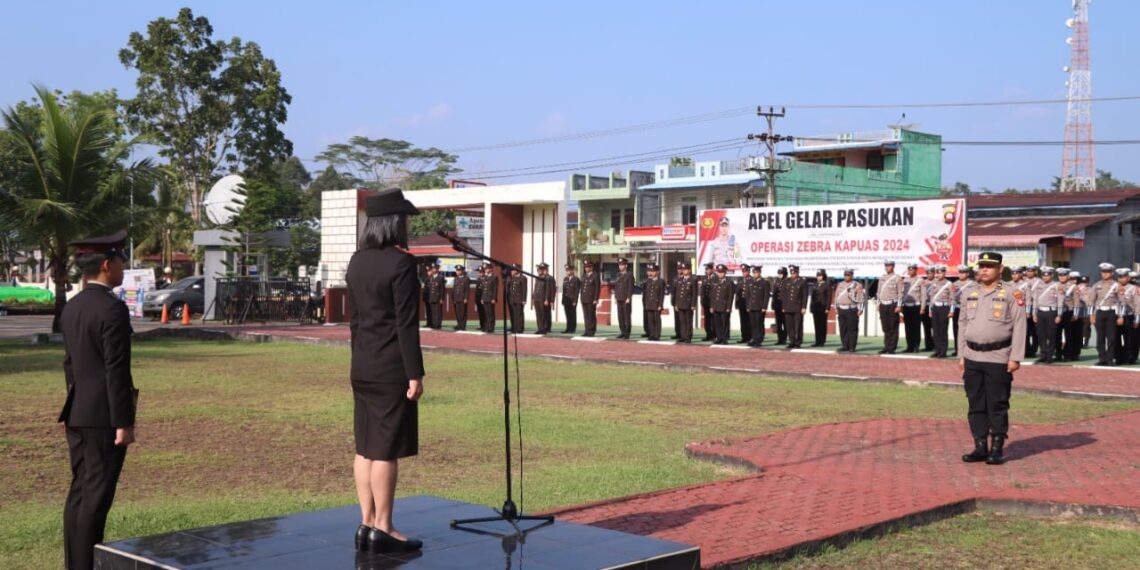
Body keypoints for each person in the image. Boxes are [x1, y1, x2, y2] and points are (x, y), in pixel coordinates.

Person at [345, 189, 425, 554]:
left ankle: (366, 523)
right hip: (391, 366)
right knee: (385, 451)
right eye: (404, 219)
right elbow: (406, 325)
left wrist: (359, 357)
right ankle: (384, 526)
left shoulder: (356, 261)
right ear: (395, 222)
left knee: (365, 448)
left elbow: (355, 320)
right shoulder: (401, 264)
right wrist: (415, 373)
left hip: (362, 364)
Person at [60, 229, 138, 570]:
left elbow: (70, 363)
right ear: (107, 264)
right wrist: (124, 421)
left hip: (77, 410)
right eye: (120, 259)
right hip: (103, 416)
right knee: (95, 498)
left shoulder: (73, 306)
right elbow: (116, 370)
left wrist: (76, 402)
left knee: (80, 493)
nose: (123, 265)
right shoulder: (112, 309)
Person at [957, 251, 1025, 466]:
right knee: (975, 402)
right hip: (972, 356)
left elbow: (1020, 325)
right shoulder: (969, 293)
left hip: (998, 356)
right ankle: (980, 446)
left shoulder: (1012, 293)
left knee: (997, 403)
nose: (984, 269)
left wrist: (1016, 357)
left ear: (1000, 269)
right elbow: (962, 324)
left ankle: (996, 448)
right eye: (981, 266)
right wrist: (961, 355)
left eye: (989, 266)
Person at [1090, 263, 1121, 366]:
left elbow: (1122, 302)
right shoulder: (1096, 285)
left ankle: (1110, 359)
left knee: (1111, 337)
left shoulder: (1117, 285)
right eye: (1103, 272)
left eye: (1107, 272)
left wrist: (1120, 316)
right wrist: (1091, 315)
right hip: (1100, 312)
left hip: (1111, 312)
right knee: (1100, 337)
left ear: (1112, 273)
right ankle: (1102, 358)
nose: (1105, 274)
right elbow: (1091, 301)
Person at [1032, 267, 1063, 364]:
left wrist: (1059, 315)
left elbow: (1060, 301)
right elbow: (1035, 300)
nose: (1045, 277)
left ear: (1052, 275)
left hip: (1051, 312)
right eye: (1043, 275)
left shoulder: (1057, 285)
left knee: (1051, 335)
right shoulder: (1038, 285)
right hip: (1040, 312)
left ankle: (1050, 356)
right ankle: (1043, 355)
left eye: (1047, 275)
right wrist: (1034, 313)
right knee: (1041, 335)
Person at [927, 265, 957, 358]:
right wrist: (930, 310)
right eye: (938, 272)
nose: (939, 274)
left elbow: (952, 299)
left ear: (944, 273)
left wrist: (951, 311)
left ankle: (943, 352)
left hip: (944, 308)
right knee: (935, 331)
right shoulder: (934, 283)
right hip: (935, 308)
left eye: (941, 272)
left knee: (943, 331)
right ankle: (937, 350)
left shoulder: (949, 284)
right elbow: (932, 297)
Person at [833, 269, 865, 352]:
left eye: (848, 275)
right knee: (843, 329)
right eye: (845, 275)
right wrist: (836, 307)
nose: (846, 277)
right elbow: (836, 296)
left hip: (852, 309)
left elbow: (861, 298)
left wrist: (861, 309)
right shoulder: (840, 284)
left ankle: (852, 347)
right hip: (842, 309)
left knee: (852, 329)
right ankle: (845, 345)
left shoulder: (857, 285)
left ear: (852, 275)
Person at [876, 261, 904, 354]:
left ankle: (892, 348)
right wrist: (878, 303)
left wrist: (899, 305)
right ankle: (886, 346)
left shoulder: (897, 278)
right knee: (885, 327)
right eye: (886, 266)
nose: (887, 267)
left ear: (893, 266)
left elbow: (900, 293)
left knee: (893, 327)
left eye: (889, 266)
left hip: (893, 304)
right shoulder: (882, 278)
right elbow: (879, 292)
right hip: (883, 305)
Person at [901, 263, 928, 353]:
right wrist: (900, 305)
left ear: (916, 270)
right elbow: (901, 294)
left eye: (912, 269)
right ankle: (909, 346)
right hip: (906, 307)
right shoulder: (905, 280)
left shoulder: (920, 280)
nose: (910, 271)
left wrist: (922, 308)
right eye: (909, 269)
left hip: (916, 307)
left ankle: (916, 346)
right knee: (908, 328)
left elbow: (923, 295)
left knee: (916, 327)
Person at [781, 265, 809, 349]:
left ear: (797, 272)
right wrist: (783, 306)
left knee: (798, 325)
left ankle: (798, 342)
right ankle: (792, 341)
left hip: (798, 307)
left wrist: (804, 307)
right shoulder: (787, 281)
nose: (793, 275)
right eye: (791, 273)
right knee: (790, 326)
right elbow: (784, 295)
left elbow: (804, 295)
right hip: (788, 307)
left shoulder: (802, 281)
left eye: (794, 273)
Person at [951, 264, 975, 357]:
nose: (961, 274)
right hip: (957, 308)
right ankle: (958, 349)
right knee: (956, 330)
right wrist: (952, 310)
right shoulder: (955, 284)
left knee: (968, 330)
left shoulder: (973, 284)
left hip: (968, 309)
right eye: (960, 272)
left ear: (967, 273)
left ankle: (968, 350)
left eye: (963, 272)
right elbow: (952, 298)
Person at [672, 262, 696, 343]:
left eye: (685, 269)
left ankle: (688, 336)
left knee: (688, 321)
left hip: (688, 304)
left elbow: (694, 294)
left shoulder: (692, 280)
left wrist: (693, 304)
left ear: (689, 270)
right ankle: (683, 336)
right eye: (683, 269)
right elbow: (677, 293)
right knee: (681, 321)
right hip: (680, 304)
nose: (684, 271)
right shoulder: (679, 280)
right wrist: (676, 304)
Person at [747, 265, 771, 347]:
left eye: (756, 272)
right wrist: (748, 306)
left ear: (759, 273)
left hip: (759, 307)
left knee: (759, 324)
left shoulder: (764, 282)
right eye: (753, 273)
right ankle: (754, 338)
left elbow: (766, 296)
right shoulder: (751, 282)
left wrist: (764, 307)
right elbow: (748, 295)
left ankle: (759, 339)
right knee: (753, 324)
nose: (754, 274)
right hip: (752, 306)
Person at [711, 264, 734, 344]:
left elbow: (730, 296)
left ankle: (725, 338)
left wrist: (729, 307)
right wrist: (712, 306)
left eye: (722, 272)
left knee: (725, 323)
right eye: (719, 272)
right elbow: (713, 295)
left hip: (724, 306)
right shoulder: (715, 281)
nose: (720, 274)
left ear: (725, 273)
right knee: (717, 323)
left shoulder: (729, 282)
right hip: (716, 306)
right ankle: (719, 337)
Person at [642, 263, 665, 341]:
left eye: (653, 271)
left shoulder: (660, 282)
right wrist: (645, 303)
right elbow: (646, 294)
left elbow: (661, 294)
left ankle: (657, 335)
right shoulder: (648, 281)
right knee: (650, 320)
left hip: (656, 304)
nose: (651, 273)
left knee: (656, 320)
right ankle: (651, 334)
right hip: (649, 303)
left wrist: (660, 305)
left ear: (657, 272)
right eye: (650, 271)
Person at [1023, 264, 1042, 358]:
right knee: (1024, 332)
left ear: (1035, 272)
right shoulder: (1023, 281)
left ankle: (1034, 350)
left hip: (1036, 309)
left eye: (1031, 271)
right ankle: (1026, 350)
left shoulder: (1040, 282)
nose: (1029, 272)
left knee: (1035, 332)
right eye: (1028, 271)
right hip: (1024, 309)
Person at [809, 269, 832, 347]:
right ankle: (817, 341)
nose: (819, 277)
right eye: (818, 276)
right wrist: (811, 307)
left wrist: (827, 308)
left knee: (822, 325)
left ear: (824, 276)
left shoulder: (827, 284)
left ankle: (822, 341)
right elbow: (812, 297)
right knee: (816, 325)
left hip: (823, 307)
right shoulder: (815, 284)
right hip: (815, 307)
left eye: (820, 275)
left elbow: (829, 297)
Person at [531, 263, 556, 335]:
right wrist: (533, 298)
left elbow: (550, 290)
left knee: (544, 314)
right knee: (538, 315)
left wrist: (548, 300)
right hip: (537, 298)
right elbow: (535, 288)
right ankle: (540, 328)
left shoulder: (548, 278)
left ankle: (545, 328)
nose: (539, 271)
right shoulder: (538, 278)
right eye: (538, 270)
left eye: (541, 269)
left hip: (543, 299)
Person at [613, 258, 634, 339]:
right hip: (619, 298)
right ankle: (622, 332)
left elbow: (630, 287)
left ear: (626, 265)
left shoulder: (629, 274)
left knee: (626, 316)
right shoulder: (618, 275)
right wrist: (615, 297)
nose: (620, 266)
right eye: (619, 265)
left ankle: (627, 333)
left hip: (626, 299)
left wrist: (629, 297)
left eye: (622, 265)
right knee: (620, 316)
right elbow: (616, 287)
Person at [580, 261, 601, 336]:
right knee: (586, 315)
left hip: (591, 299)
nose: (586, 268)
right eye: (585, 267)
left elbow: (597, 288)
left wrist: (596, 299)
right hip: (584, 298)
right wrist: (581, 297)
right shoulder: (584, 275)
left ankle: (592, 331)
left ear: (591, 267)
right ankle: (586, 330)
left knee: (591, 315)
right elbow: (582, 287)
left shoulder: (595, 275)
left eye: (588, 267)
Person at [478, 264, 499, 333]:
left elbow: (495, 289)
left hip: (490, 298)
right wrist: (482, 298)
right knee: (486, 313)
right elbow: (484, 289)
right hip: (485, 297)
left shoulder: (494, 277)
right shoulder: (485, 277)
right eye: (485, 269)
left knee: (490, 313)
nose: (486, 270)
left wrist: (494, 298)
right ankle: (487, 326)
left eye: (487, 269)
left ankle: (491, 327)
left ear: (491, 269)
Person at [561, 264, 581, 334]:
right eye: (566, 270)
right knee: (567, 315)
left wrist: (575, 301)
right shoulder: (565, 279)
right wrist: (563, 300)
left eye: (568, 270)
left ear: (572, 271)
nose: (567, 272)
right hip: (566, 300)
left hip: (572, 300)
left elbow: (576, 291)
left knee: (572, 315)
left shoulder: (576, 280)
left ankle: (572, 329)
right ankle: (568, 328)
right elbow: (564, 291)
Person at [507, 265, 528, 333]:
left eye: (513, 269)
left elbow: (524, 289)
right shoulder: (512, 278)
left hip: (519, 299)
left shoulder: (523, 278)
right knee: (513, 314)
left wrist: (524, 299)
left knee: (519, 314)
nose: (512, 271)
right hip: (512, 299)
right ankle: (514, 327)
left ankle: (520, 328)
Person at [735, 264, 752, 344]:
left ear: (748, 271)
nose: (744, 273)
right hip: (742, 303)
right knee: (743, 321)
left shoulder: (751, 279)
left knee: (749, 321)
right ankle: (744, 336)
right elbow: (737, 293)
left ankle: (750, 337)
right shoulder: (740, 280)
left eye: (745, 271)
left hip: (749, 304)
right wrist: (736, 303)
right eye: (743, 271)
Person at [424, 263, 445, 329]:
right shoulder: (431, 278)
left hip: (438, 298)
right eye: (432, 268)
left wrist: (442, 298)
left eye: (434, 268)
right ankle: (433, 323)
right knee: (432, 312)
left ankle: (438, 324)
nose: (433, 270)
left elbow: (442, 289)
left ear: (437, 269)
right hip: (432, 297)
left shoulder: (440, 278)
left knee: (438, 311)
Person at [921, 265, 937, 351]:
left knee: (935, 327)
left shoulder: (938, 282)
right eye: (927, 272)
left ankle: (936, 346)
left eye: (931, 272)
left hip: (934, 306)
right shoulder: (923, 282)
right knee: (926, 327)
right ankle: (928, 346)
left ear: (934, 273)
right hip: (925, 306)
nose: (929, 274)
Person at [700, 263, 717, 342]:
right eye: (706, 269)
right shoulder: (704, 278)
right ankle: (708, 334)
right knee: (707, 320)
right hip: (706, 302)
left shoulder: (716, 278)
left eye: (708, 269)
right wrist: (702, 301)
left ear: (712, 269)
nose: (707, 271)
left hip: (713, 302)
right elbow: (702, 291)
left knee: (714, 320)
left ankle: (714, 335)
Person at [772, 267, 788, 345]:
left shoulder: (787, 281)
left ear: (784, 274)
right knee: (778, 323)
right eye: (779, 273)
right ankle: (780, 339)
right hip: (777, 305)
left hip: (784, 306)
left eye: (781, 273)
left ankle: (784, 338)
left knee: (785, 323)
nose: (780, 275)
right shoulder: (776, 281)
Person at [452, 265, 470, 331]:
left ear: (462, 271)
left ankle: (463, 325)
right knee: (457, 312)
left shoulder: (466, 279)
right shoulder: (456, 279)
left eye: (459, 270)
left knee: (463, 312)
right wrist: (453, 298)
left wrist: (466, 298)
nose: (458, 272)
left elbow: (467, 289)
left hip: (462, 298)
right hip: (456, 298)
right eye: (457, 270)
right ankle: (459, 324)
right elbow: (454, 289)